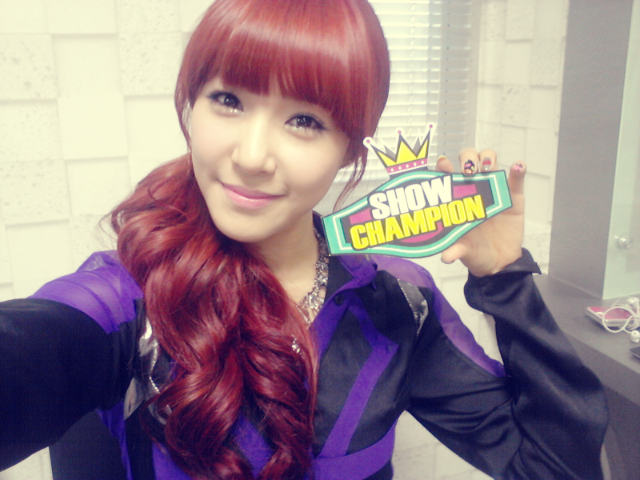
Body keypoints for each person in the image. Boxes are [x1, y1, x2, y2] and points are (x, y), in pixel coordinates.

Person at [0, 0, 607, 479]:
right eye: (228, 100)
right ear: (190, 107)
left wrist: (504, 278)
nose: (252, 156)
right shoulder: (129, 300)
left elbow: (554, 466)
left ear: (349, 148)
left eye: (304, 120)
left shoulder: (398, 303)